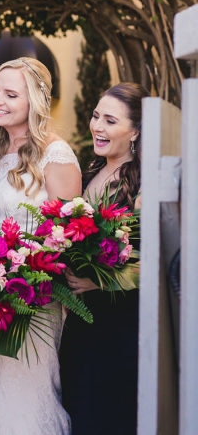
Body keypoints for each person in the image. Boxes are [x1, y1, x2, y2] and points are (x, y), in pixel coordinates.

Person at [0, 57, 81, 435]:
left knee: (24, 400)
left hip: (32, 301)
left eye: (11, 95)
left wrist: (21, 273)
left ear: (34, 102)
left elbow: (68, 236)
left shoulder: (55, 154)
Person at [59, 82, 147, 435]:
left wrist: (100, 280)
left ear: (135, 131)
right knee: (77, 405)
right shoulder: (88, 173)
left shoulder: (143, 187)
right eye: (96, 116)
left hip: (119, 324)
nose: (97, 126)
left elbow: (154, 262)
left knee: (107, 414)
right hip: (81, 322)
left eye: (110, 121)